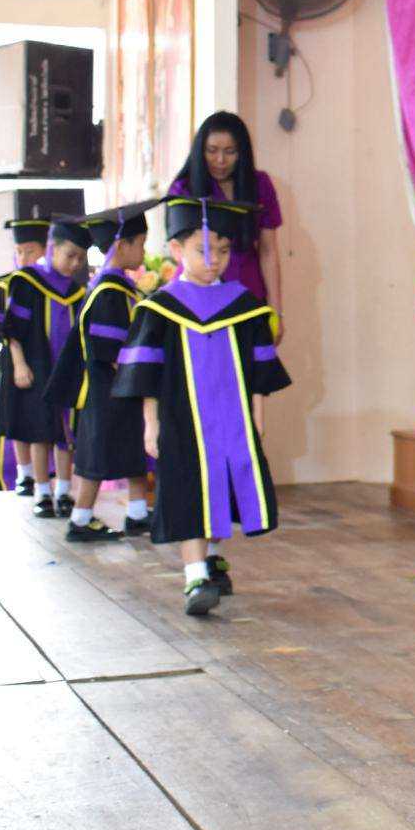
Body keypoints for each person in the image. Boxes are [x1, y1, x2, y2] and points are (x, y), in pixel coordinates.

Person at [115, 197, 290, 617]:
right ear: (176, 250)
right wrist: (151, 424)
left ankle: (211, 558)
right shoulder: (160, 309)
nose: (214, 261)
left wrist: (258, 419)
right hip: (181, 420)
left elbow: (259, 372)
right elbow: (146, 374)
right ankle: (194, 577)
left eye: (223, 251)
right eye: (203, 251)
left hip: (232, 420)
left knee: (224, 486)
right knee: (187, 490)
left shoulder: (243, 306)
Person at [49, 202, 156, 542]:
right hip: (106, 390)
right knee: (97, 456)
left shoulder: (114, 286)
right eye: (141, 244)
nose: (144, 252)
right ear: (122, 245)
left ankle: (137, 513)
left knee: (133, 449)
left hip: (120, 388)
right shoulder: (109, 293)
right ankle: (80, 520)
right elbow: (110, 350)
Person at [0, 216, 89, 517]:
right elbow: (12, 329)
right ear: (52, 248)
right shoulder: (27, 281)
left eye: (80, 258)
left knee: (66, 433)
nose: (75, 263)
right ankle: (42, 491)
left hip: (66, 370)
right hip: (37, 366)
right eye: (69, 255)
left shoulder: (76, 290)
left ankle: (64, 491)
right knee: (40, 431)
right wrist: (19, 364)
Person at [167, 112, 284, 323]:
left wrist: (276, 310)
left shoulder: (260, 185)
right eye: (212, 151)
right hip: (195, 294)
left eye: (230, 152)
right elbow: (179, 247)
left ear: (242, 152)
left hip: (247, 289)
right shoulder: (183, 188)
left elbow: (268, 251)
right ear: (200, 150)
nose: (220, 160)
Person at [0, 217, 51, 498]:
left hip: (44, 359)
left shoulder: (53, 284)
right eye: (19, 251)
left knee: (38, 421)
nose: (24, 257)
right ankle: (25, 475)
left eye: (30, 251)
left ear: (45, 249)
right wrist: (18, 362)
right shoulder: (7, 284)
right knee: (17, 418)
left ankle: (44, 478)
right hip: (14, 362)